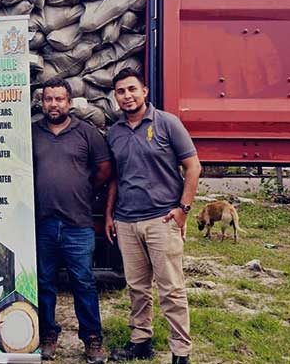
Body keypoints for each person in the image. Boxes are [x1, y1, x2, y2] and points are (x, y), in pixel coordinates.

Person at [103, 68, 201, 364]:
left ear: (144, 91)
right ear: (115, 97)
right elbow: (115, 178)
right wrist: (109, 214)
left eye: (132, 89)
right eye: (121, 91)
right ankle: (140, 340)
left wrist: (183, 210)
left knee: (171, 288)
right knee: (136, 287)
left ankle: (180, 352)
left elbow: (193, 167)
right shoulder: (115, 132)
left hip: (162, 219)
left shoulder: (167, 123)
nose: (127, 96)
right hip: (126, 220)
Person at [31, 79, 112, 364]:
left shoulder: (86, 132)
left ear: (70, 102)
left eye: (59, 99)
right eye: (49, 99)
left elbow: (104, 169)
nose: (54, 104)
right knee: (44, 283)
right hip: (43, 224)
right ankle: (48, 335)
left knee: (84, 283)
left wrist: (84, 189)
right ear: (42, 103)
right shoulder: (33, 133)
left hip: (78, 224)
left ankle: (92, 339)